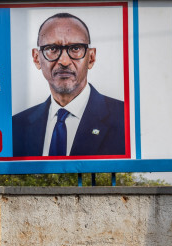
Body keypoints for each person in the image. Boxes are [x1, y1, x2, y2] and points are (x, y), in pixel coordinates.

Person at [12, 12, 125, 157]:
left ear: (91, 58)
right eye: (52, 49)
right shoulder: (16, 126)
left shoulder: (125, 118)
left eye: (75, 48)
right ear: (36, 58)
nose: (64, 61)